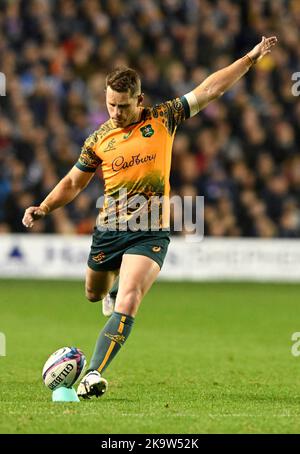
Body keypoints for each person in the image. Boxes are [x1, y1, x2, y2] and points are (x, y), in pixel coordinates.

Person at [22, 36, 277, 399]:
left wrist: (250, 59)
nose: (115, 113)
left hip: (149, 230)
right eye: (110, 104)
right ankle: (109, 288)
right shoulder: (98, 139)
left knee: (129, 300)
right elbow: (74, 183)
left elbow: (209, 90)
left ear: (139, 100)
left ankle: (93, 373)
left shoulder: (164, 117)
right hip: (109, 229)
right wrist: (44, 207)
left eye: (123, 106)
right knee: (94, 294)